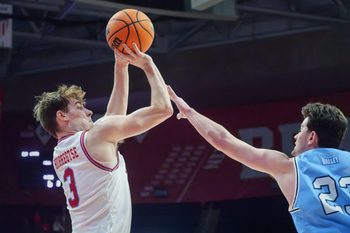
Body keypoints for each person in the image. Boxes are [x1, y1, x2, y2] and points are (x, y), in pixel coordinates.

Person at [167, 85, 350, 233]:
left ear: (311, 137)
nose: (296, 136)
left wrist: (189, 112)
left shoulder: (289, 167)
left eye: (301, 130)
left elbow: (223, 140)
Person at [33, 43, 173, 233]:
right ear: (62, 116)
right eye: (79, 106)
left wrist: (121, 66)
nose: (89, 111)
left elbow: (112, 118)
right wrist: (148, 65)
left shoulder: (60, 154)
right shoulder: (94, 137)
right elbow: (163, 109)